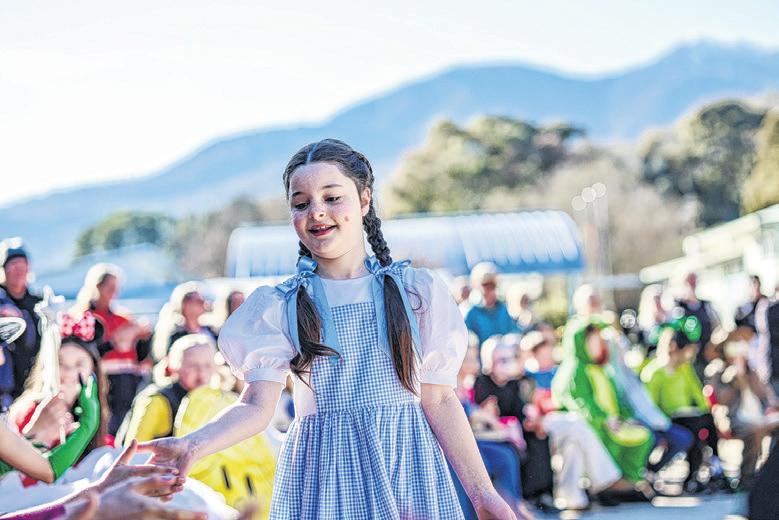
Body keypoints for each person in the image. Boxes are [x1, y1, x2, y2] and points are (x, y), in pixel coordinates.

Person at [139, 139, 516, 519]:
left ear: (364, 199)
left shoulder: (415, 292)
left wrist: (483, 494)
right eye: (301, 203)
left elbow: (440, 400)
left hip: (406, 464)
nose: (316, 211)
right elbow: (255, 405)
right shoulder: (281, 305)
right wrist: (192, 445)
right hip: (327, 474)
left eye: (332, 197)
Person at [553, 319, 655, 489]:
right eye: (594, 341)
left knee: (643, 436)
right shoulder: (575, 370)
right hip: (597, 424)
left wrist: (626, 416)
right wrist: (604, 419)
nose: (599, 345)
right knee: (610, 442)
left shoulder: (600, 368)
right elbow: (581, 402)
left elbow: (616, 398)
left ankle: (630, 479)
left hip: (614, 421)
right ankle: (610, 485)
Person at [10, 311, 112, 465]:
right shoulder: (26, 412)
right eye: (61, 363)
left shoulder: (96, 419)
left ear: (93, 371)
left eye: (79, 364)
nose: (69, 372)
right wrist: (36, 433)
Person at [641, 317, 725, 493]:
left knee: (705, 420)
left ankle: (712, 465)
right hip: (666, 419)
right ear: (674, 348)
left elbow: (698, 394)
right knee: (694, 430)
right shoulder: (654, 373)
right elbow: (650, 406)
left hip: (688, 417)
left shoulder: (684, 368)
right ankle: (696, 474)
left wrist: (703, 410)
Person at [474, 335, 555, 509]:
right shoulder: (482, 383)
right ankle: (523, 496)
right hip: (495, 433)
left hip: (515, 428)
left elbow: (520, 409)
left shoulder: (514, 384)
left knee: (539, 437)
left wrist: (530, 422)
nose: (507, 364)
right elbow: (487, 414)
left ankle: (542, 493)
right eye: (501, 360)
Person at [72, 264, 153, 435]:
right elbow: (85, 352)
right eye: (109, 287)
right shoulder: (84, 317)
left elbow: (139, 356)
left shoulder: (123, 317)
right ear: (96, 286)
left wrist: (145, 338)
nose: (113, 293)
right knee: (103, 426)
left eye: (115, 288)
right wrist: (113, 342)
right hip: (102, 382)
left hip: (128, 383)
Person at [120, 334, 218, 443]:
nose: (202, 372)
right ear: (174, 366)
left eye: (208, 365)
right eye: (192, 365)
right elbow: (134, 448)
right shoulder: (156, 401)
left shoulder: (217, 399)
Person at [0, 241, 42, 399]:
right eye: (13, 265)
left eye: (22, 265)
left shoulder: (38, 303)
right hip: (5, 385)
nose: (18, 270)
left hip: (32, 382)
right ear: (4, 269)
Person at [151, 283, 217, 363]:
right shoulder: (175, 335)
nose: (204, 304)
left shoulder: (210, 330)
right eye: (199, 301)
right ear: (185, 305)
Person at [675, 272, 721, 378]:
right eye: (688, 281)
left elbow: (717, 327)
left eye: (694, 281)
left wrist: (713, 344)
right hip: (687, 360)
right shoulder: (677, 307)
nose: (691, 285)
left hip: (707, 354)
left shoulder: (706, 305)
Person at [465, 263, 518, 345]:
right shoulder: (471, 312)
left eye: (492, 285)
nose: (489, 289)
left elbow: (512, 331)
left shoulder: (503, 310)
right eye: (485, 285)